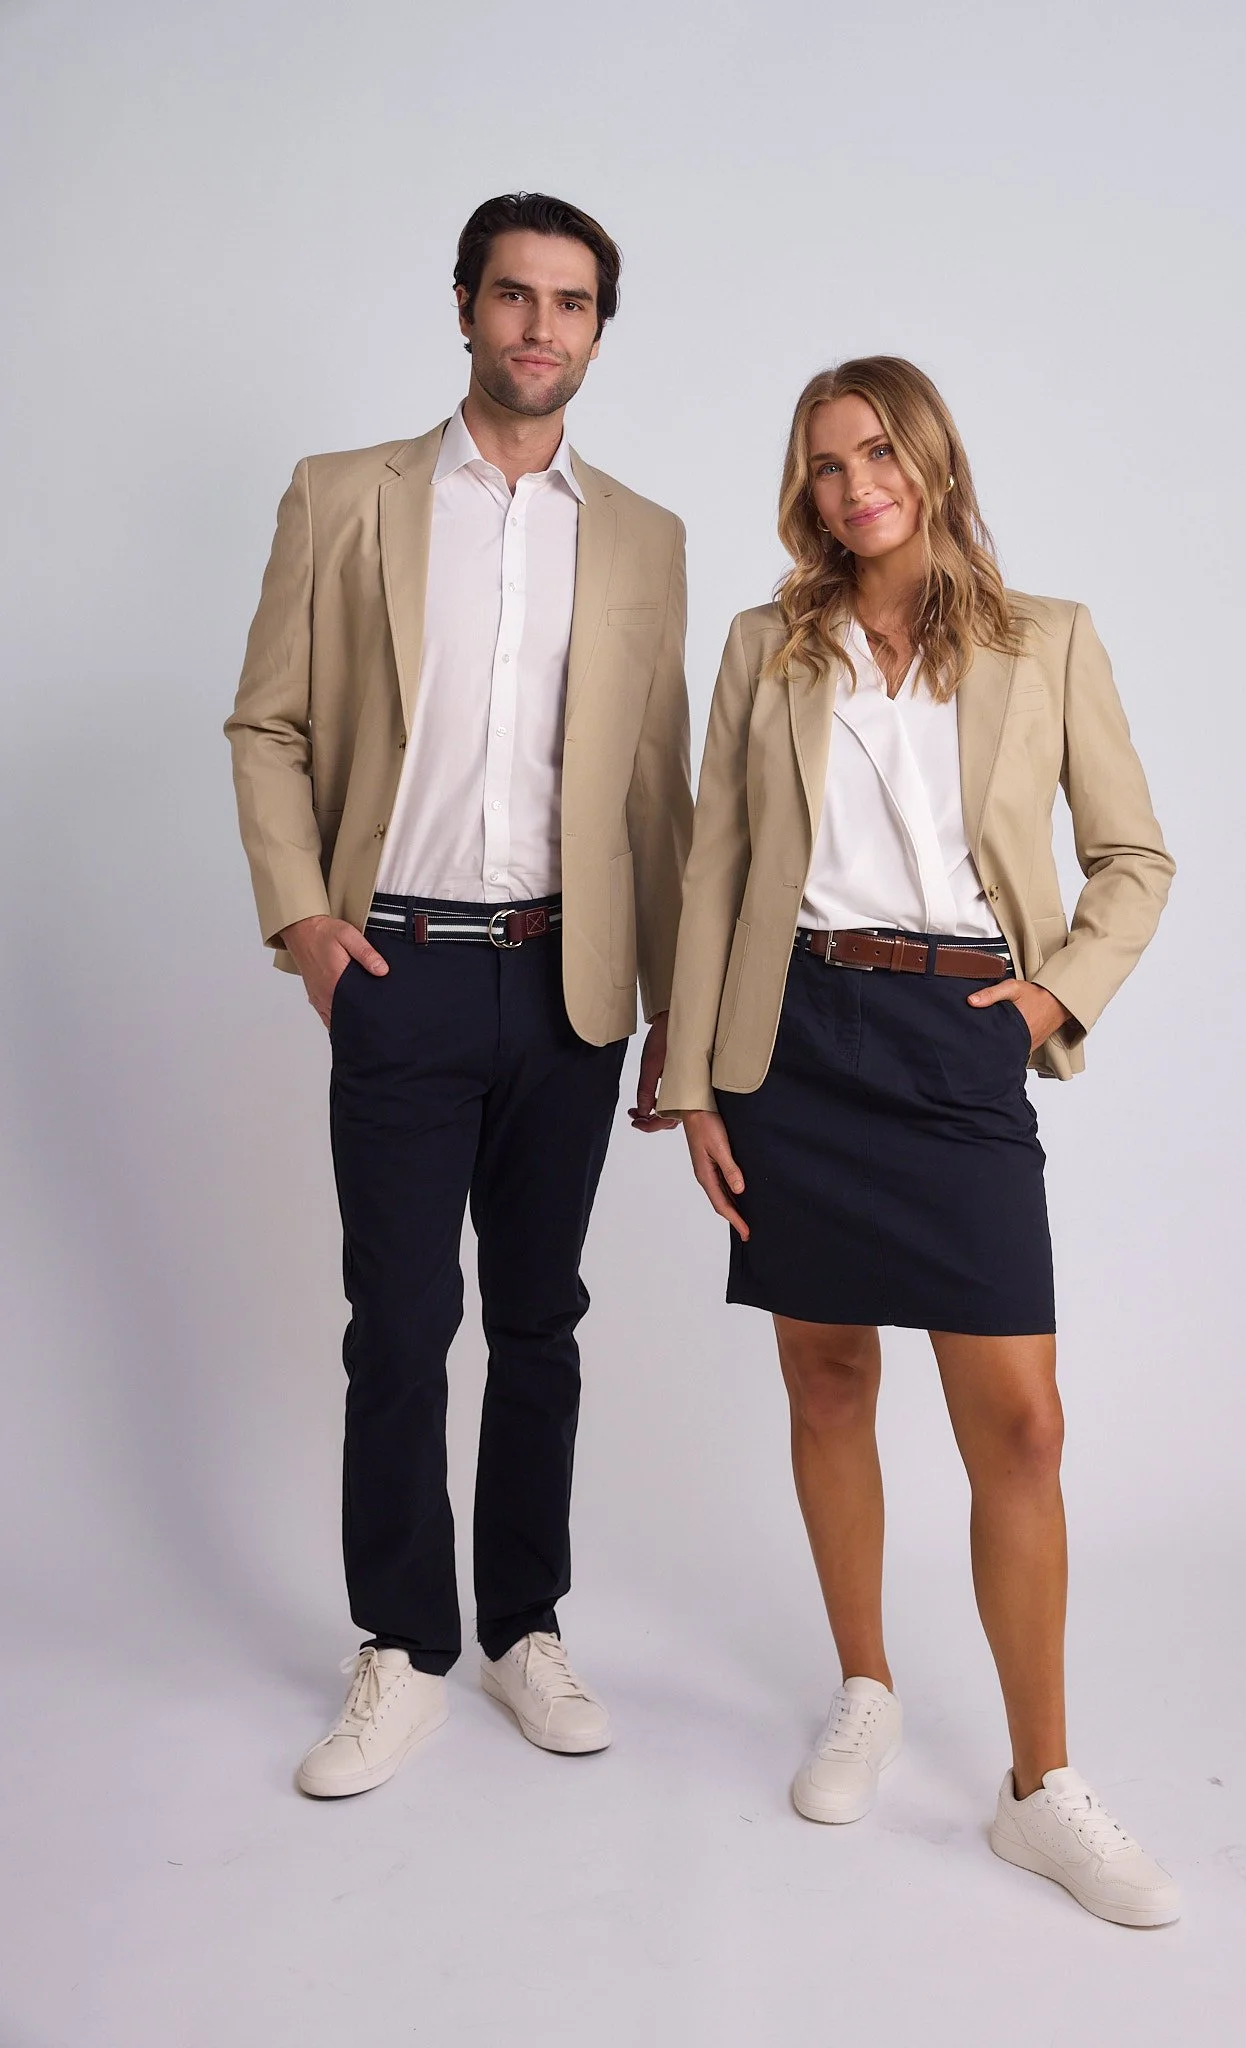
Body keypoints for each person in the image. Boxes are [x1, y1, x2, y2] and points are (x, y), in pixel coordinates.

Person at [658, 355, 1179, 1926]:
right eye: (823, 465)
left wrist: (1040, 1005)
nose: (851, 485)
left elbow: (1133, 856)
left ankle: (1041, 1788)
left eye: (874, 452)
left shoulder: (1046, 641)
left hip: (959, 1038)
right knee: (826, 1373)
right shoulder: (770, 645)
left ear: (931, 459)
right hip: (795, 1040)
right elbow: (713, 868)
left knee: (1020, 1425)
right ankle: (864, 1683)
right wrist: (692, 1078)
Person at [226, 192, 691, 1798]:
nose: (539, 328)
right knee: (403, 1324)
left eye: (570, 304)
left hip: (571, 982)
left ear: (596, 330)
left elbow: (660, 794)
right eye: (513, 296)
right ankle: (402, 1649)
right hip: (400, 970)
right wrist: (301, 917)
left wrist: (676, 1027)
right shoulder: (344, 496)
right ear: (463, 306)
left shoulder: (641, 536)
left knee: (543, 1320)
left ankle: (525, 1627)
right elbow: (266, 724)